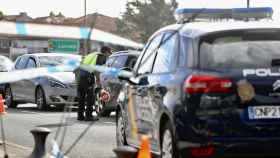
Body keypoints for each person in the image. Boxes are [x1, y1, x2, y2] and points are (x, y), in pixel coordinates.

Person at [75, 46, 111, 121]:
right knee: (90, 98)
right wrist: (98, 80)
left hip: (79, 77)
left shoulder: (92, 55)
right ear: (106, 52)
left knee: (81, 98)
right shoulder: (101, 57)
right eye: (109, 53)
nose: (109, 55)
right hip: (87, 77)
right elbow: (97, 70)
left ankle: (80, 116)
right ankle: (88, 116)